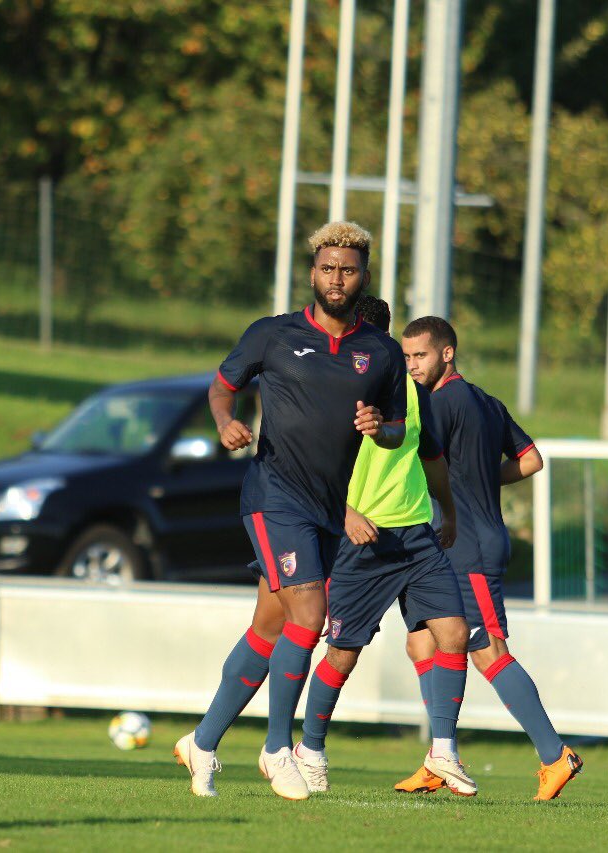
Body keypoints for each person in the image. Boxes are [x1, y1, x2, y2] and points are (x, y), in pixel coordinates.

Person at [174, 222, 409, 800]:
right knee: (311, 611)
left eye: (348, 269)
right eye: (328, 267)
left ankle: (202, 742)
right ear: (313, 272)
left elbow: (398, 425)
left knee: (270, 625)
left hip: (327, 509)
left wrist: (381, 428)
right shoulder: (273, 335)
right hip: (272, 495)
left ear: (365, 275)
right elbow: (223, 385)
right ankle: (279, 748)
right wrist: (226, 420)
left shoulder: (380, 351)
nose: (337, 278)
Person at [291, 295, 477, 796]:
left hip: (415, 535)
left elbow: (431, 455)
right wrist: (344, 514)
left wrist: (449, 511)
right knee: (344, 656)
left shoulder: (411, 393)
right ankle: (309, 748)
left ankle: (443, 751)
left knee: (454, 633)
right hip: (363, 541)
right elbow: (306, 466)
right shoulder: (330, 391)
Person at [401, 316, 583, 801]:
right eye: (406, 357)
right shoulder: (486, 401)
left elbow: (419, 460)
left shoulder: (439, 402)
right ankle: (440, 758)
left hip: (469, 546)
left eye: (419, 355)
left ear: (446, 354)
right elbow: (530, 459)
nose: (412, 365)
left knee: (487, 651)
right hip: (454, 544)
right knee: (422, 643)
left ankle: (554, 755)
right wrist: (480, 479)